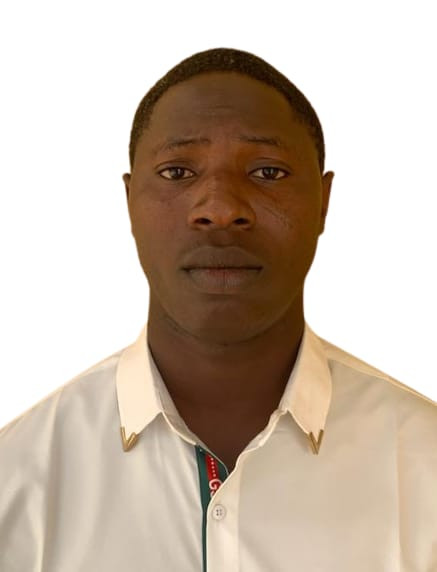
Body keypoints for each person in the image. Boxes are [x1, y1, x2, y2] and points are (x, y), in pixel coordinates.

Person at [0, 47, 436, 572]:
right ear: (130, 201)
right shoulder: (16, 479)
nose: (222, 209)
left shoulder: (425, 464)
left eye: (268, 171)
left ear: (323, 202)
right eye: (177, 171)